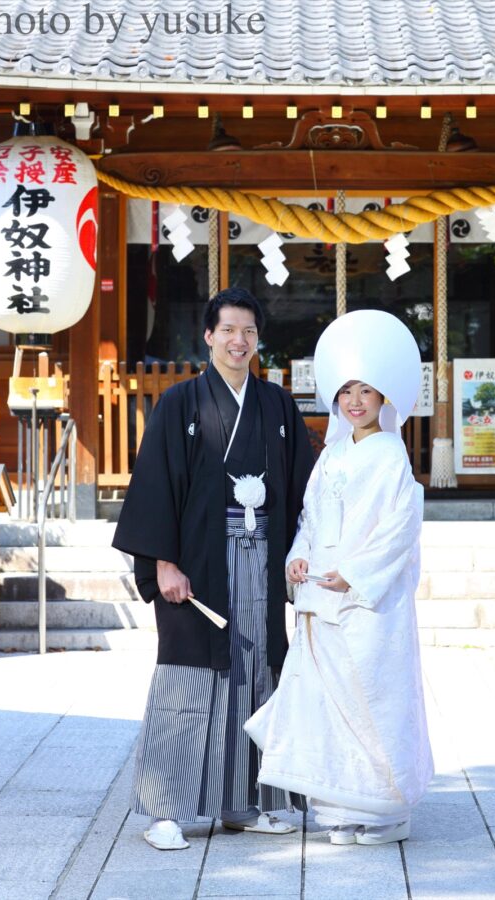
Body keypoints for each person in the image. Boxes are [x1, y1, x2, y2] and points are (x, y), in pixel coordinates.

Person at [113, 287, 314, 850]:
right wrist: (162, 562)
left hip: (262, 560)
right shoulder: (180, 403)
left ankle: (244, 802)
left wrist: (306, 554)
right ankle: (166, 811)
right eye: (228, 329)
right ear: (208, 336)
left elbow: (304, 489)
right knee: (188, 677)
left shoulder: (275, 407)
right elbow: (154, 486)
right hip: (198, 565)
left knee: (259, 672)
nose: (238, 340)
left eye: (248, 331)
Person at [245, 310, 434, 846]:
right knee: (327, 706)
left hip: (365, 601)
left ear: (383, 399)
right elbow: (310, 519)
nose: (355, 401)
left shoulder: (392, 456)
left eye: (366, 391)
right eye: (347, 390)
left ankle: (386, 811)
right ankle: (338, 809)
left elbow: (399, 531)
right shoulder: (329, 455)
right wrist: (298, 559)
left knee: (371, 700)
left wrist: (352, 575)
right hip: (319, 597)